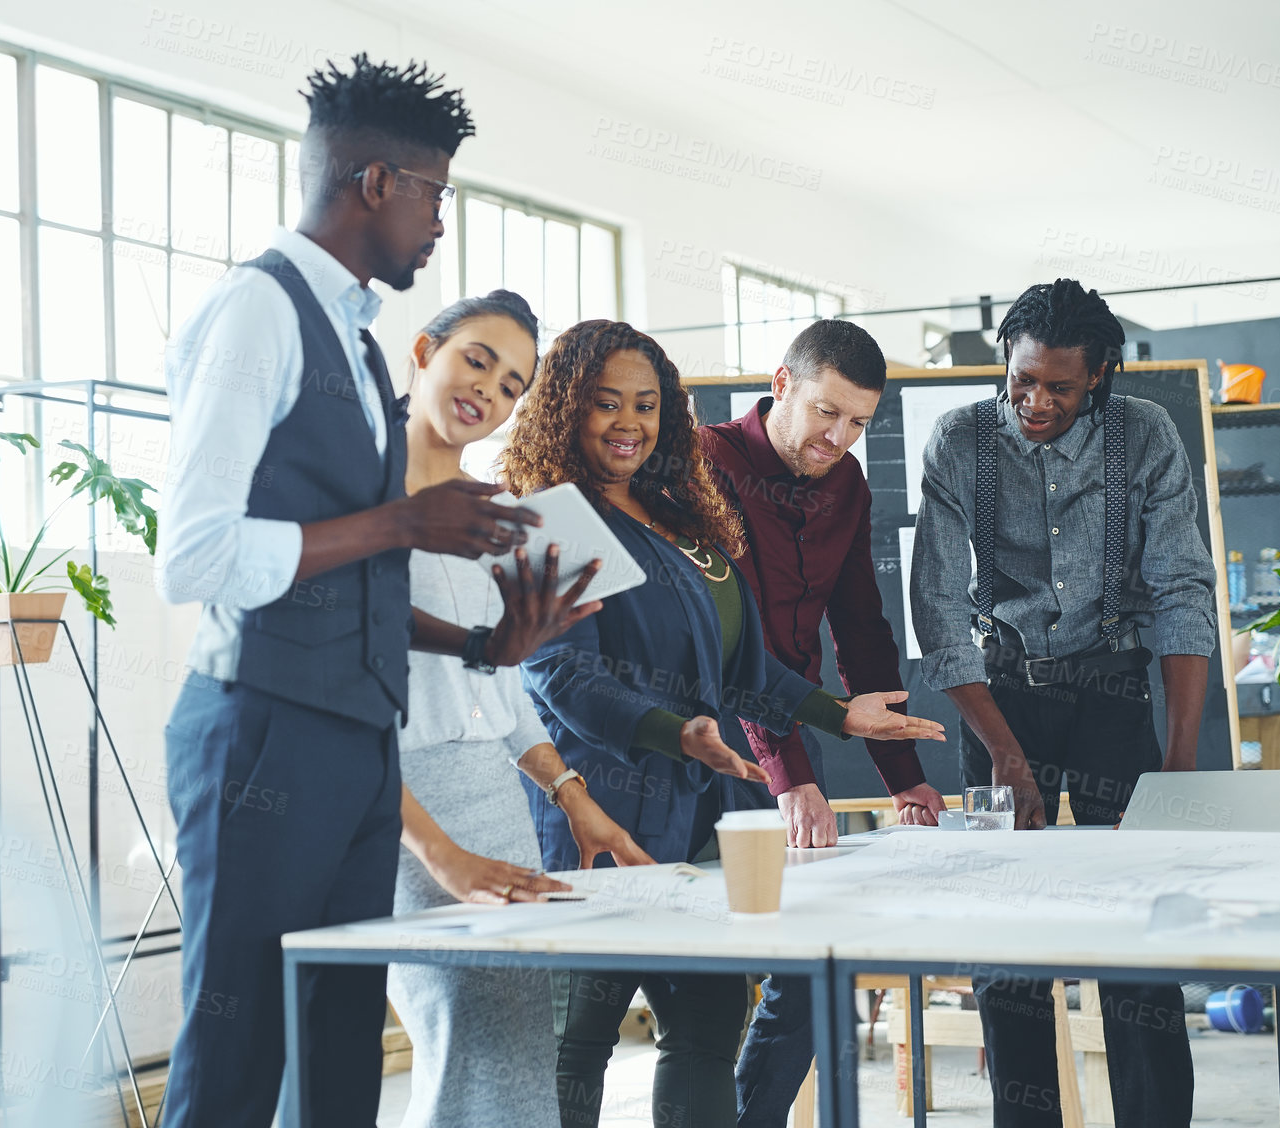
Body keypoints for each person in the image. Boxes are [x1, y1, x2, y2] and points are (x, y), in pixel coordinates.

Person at [154, 57, 599, 1128]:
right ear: (372, 182)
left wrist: (481, 647)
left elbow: (351, 584)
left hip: (357, 740)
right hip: (262, 727)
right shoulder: (257, 310)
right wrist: (406, 522)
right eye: (434, 194)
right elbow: (195, 554)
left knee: (343, 1057)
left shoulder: (355, 343)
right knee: (237, 1049)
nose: (439, 224)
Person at [499, 319, 945, 1128]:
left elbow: (740, 670)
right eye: (606, 404)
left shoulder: (677, 518)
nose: (629, 422)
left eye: (645, 404)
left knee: (706, 1028)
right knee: (579, 1038)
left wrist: (843, 715)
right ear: (566, 410)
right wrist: (675, 734)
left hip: (703, 816)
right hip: (600, 818)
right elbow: (559, 674)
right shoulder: (548, 520)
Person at [910, 278, 1218, 1128]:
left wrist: (1177, 770)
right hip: (999, 701)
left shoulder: (1145, 436)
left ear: (1101, 376)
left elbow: (1181, 590)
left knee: (1139, 941)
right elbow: (936, 609)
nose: (1035, 402)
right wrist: (1004, 751)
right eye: (1020, 382)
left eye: (1059, 387)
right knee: (1009, 949)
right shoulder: (959, 441)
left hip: (1113, 697)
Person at [387, 290, 654, 1128]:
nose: (490, 393)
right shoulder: (356, 508)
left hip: (494, 802)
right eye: (477, 361)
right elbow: (344, 711)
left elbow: (502, 696)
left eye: (511, 385)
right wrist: (439, 855)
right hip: (400, 808)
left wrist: (576, 802)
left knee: (514, 1047)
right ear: (424, 352)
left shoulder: (499, 518)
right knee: (462, 1033)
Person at [699, 318, 948, 1127]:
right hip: (702, 748)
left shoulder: (847, 487)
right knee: (687, 991)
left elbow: (862, 630)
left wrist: (905, 781)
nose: (838, 437)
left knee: (806, 971)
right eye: (825, 413)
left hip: (794, 735)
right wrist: (790, 774)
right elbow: (738, 646)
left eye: (858, 422)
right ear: (780, 385)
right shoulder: (705, 463)